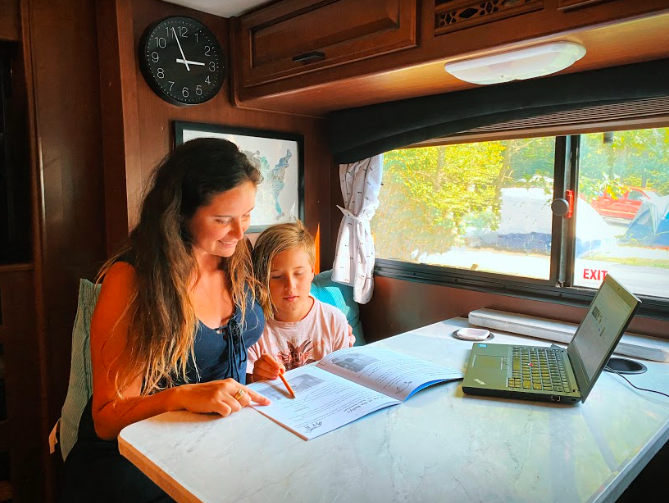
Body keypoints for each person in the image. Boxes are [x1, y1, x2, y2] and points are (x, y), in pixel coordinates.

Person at [61, 138, 270, 503]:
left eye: (247, 215)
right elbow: (108, 419)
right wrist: (186, 396)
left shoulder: (234, 257)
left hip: (211, 441)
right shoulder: (132, 279)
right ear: (180, 214)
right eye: (222, 220)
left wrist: (253, 375)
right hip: (133, 455)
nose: (240, 233)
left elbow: (217, 357)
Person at [247, 220, 352, 382]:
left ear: (311, 271)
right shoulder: (254, 328)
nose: (290, 285)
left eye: (299, 273)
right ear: (262, 279)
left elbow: (345, 377)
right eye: (277, 276)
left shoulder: (334, 320)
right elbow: (248, 385)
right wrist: (256, 377)